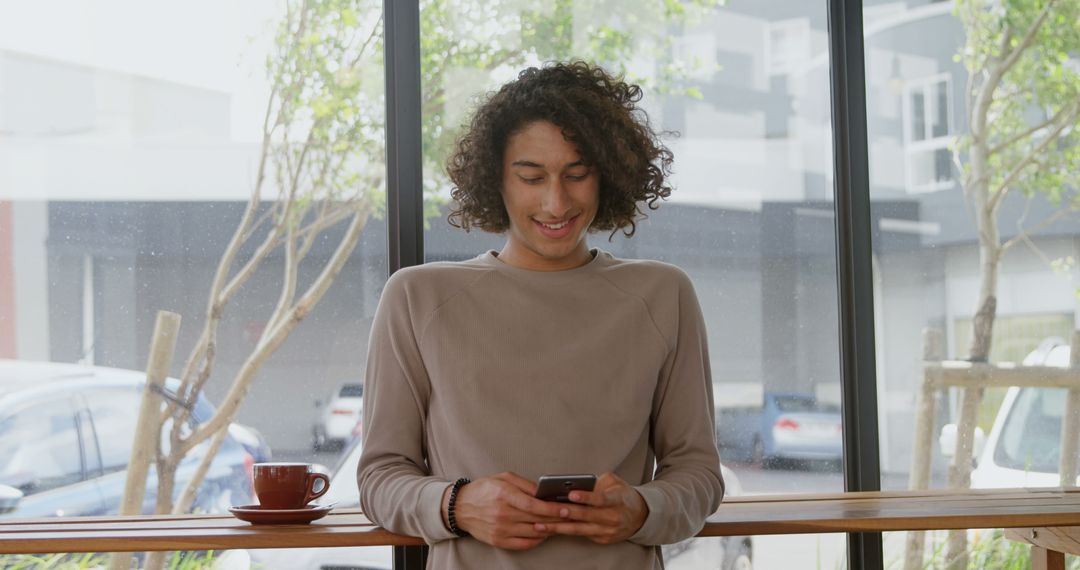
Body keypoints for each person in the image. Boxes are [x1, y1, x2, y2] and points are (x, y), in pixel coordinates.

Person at [357, 61, 724, 569]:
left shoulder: (663, 294)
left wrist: (642, 509)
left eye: (578, 175)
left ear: (608, 178)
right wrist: (458, 506)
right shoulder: (417, 297)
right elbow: (379, 477)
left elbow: (699, 472)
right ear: (496, 181)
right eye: (532, 177)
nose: (556, 202)